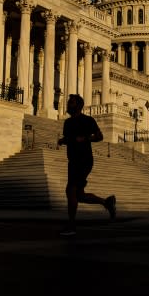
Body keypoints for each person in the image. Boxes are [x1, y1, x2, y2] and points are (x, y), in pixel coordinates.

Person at [57, 94, 116, 236]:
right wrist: (63, 141)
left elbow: (100, 136)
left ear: (78, 105)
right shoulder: (67, 123)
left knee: (71, 190)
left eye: (71, 103)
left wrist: (85, 138)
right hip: (73, 160)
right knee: (79, 195)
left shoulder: (87, 120)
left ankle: (71, 226)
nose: (68, 105)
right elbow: (69, 138)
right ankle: (106, 202)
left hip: (84, 159)